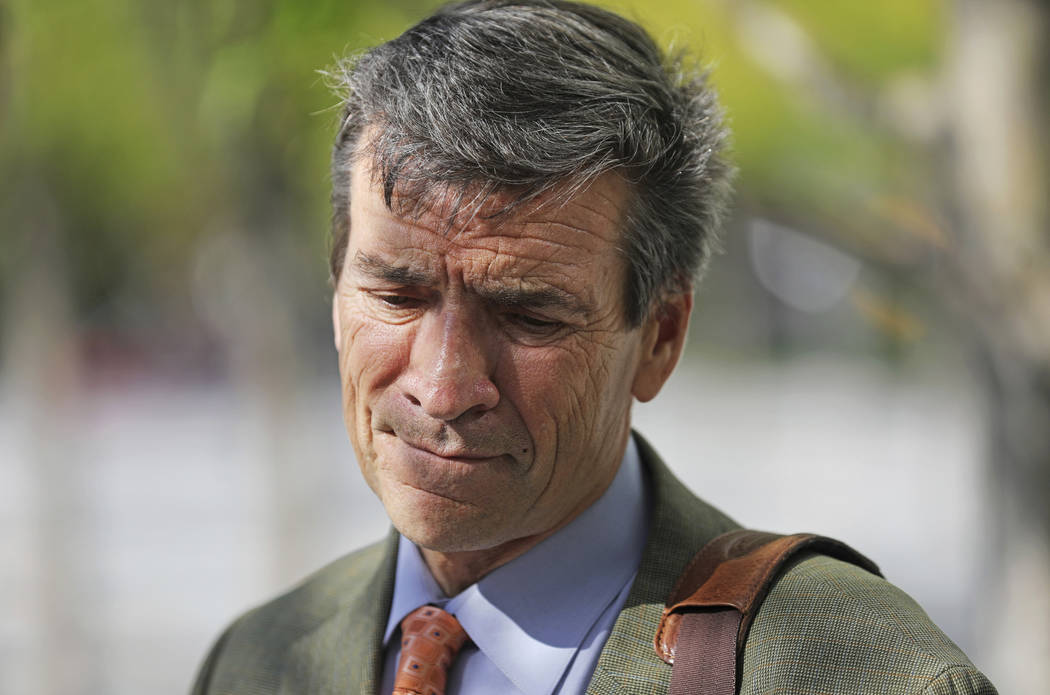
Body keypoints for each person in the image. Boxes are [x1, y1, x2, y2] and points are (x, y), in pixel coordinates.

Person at [192, 1, 996, 693]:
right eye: (397, 295)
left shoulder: (866, 676)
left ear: (662, 337)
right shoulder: (257, 661)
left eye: (529, 316)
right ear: (335, 292)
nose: (443, 386)